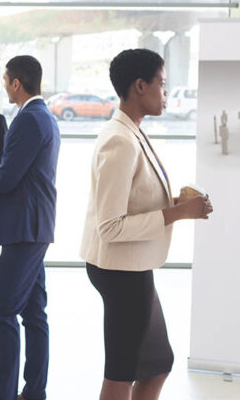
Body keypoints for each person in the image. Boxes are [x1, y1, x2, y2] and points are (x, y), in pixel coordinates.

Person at [79, 48, 213, 400]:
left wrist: (175, 203)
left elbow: (133, 199)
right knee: (122, 370)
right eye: (163, 84)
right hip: (119, 270)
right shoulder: (121, 140)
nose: (166, 94)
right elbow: (110, 226)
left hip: (131, 268)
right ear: (140, 86)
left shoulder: (131, 132)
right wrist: (178, 213)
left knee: (157, 363)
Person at [0, 55, 60, 400]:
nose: (4, 86)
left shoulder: (29, 120)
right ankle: (34, 392)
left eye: (5, 80)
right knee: (33, 314)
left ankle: (4, 393)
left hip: (24, 230)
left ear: (16, 82)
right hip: (33, 227)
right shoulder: (42, 117)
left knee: (2, 312)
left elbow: (7, 176)